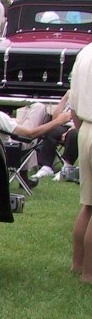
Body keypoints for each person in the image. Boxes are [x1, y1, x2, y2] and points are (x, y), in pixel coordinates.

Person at [69, 41, 92, 282]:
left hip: (85, 128)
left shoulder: (85, 52)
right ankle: (89, 273)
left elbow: (73, 103)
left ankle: (78, 265)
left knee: (88, 203)